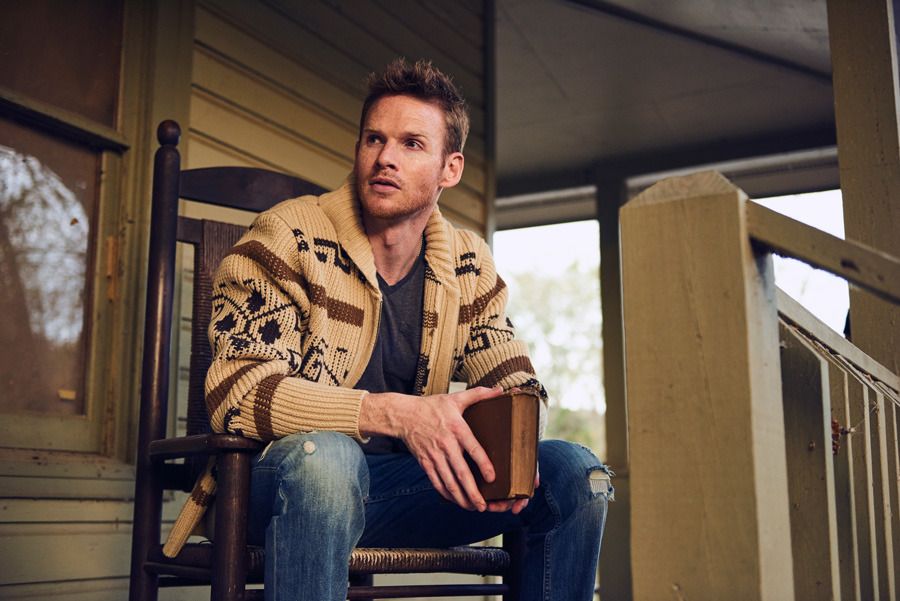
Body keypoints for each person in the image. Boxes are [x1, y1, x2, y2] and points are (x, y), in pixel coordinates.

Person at [166, 58, 611, 601]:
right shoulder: (288, 235)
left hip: (396, 492)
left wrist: (510, 453)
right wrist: (398, 415)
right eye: (374, 138)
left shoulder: (467, 262)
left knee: (576, 475)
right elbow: (236, 395)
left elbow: (517, 381)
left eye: (411, 144)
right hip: (274, 487)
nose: (385, 158)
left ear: (451, 169)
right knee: (328, 460)